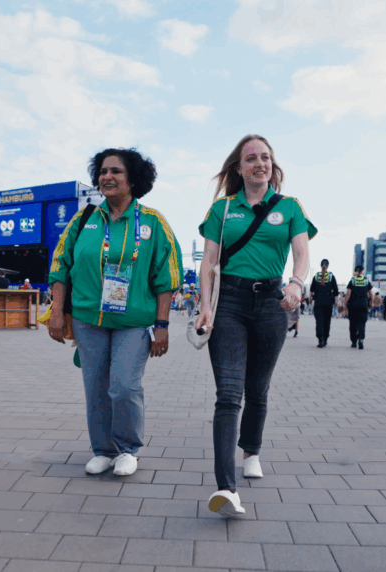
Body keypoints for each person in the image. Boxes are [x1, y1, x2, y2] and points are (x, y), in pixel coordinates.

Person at [196, 134, 315, 517]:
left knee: (257, 389)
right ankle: (225, 489)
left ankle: (252, 450)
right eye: (251, 158)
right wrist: (205, 306)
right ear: (239, 167)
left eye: (265, 157)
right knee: (229, 394)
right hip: (229, 303)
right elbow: (209, 262)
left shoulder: (290, 206)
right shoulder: (223, 208)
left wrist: (296, 283)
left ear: (272, 165)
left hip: (271, 303)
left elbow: (302, 254)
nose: (259, 163)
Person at [48, 147, 182, 479]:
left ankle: (127, 449)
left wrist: (162, 325)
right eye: (103, 171)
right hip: (88, 320)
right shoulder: (83, 220)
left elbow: (166, 277)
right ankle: (103, 450)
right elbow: (60, 265)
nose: (107, 176)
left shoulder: (153, 222)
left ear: (133, 179)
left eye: (116, 171)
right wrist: (56, 313)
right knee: (95, 387)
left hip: (134, 322)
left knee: (123, 386)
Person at [310, 259, 338, 347]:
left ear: (321, 265)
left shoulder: (316, 276)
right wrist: (335, 300)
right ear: (327, 266)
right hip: (328, 301)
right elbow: (336, 291)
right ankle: (325, 339)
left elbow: (311, 290)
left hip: (318, 301)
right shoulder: (331, 276)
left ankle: (320, 340)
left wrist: (311, 300)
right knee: (327, 321)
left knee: (319, 321)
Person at [345, 265, 372, 349]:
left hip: (353, 304)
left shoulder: (352, 281)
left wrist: (345, 303)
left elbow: (348, 293)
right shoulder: (366, 281)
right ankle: (361, 339)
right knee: (362, 322)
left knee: (353, 323)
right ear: (362, 271)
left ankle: (354, 342)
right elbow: (371, 293)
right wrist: (371, 303)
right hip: (363, 304)